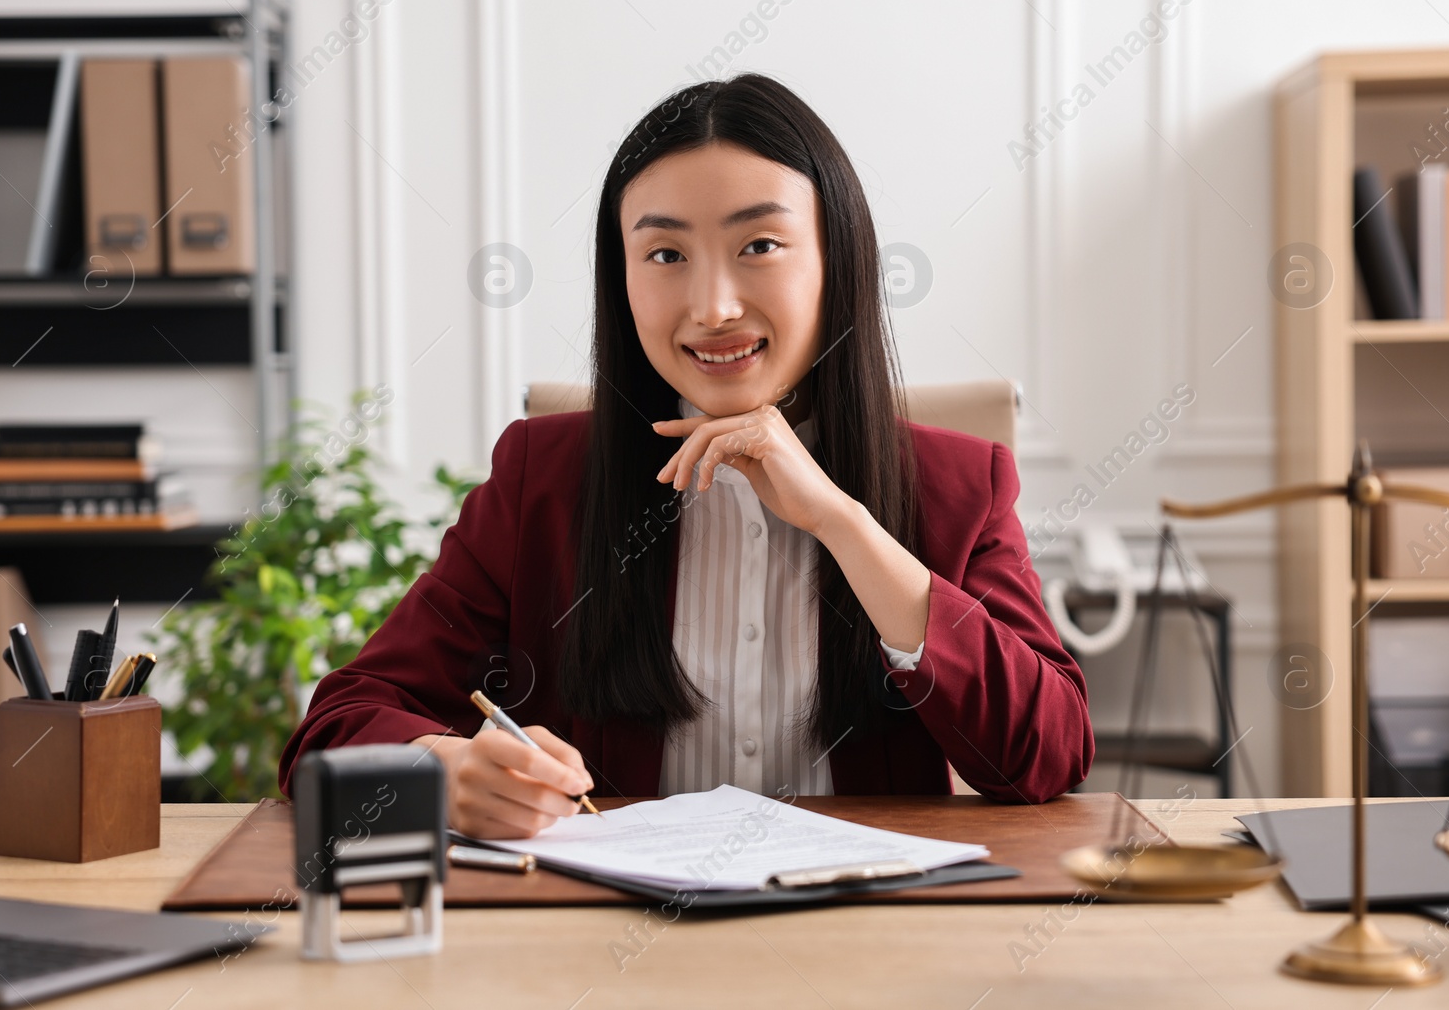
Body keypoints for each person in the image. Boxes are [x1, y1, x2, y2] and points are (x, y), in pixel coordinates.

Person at [278, 73, 1092, 838]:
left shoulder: (955, 485)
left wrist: (843, 522)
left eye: (760, 246)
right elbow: (340, 721)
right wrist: (444, 768)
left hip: (867, 949)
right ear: (622, 279)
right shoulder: (542, 481)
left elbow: (1049, 754)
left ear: (837, 261)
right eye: (666, 255)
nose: (713, 307)